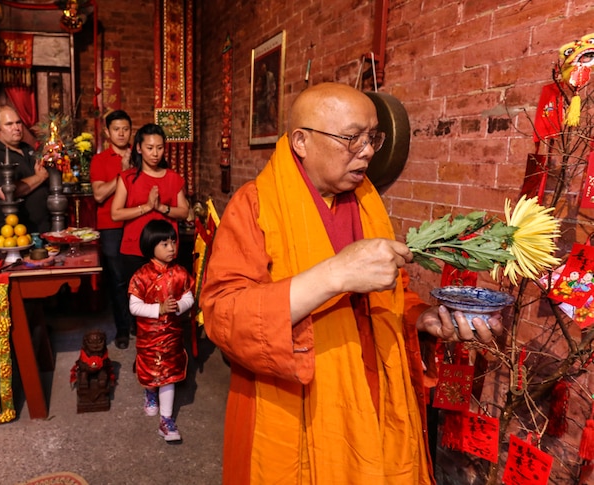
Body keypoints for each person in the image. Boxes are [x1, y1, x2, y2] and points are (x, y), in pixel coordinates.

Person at [200, 83, 504, 484]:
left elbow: (392, 292)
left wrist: (421, 318)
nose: (367, 151)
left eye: (372, 137)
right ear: (302, 142)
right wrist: (334, 275)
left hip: (371, 393)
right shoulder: (256, 205)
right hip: (295, 402)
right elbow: (223, 314)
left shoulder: (366, 201)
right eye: (351, 138)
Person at [128, 219, 194, 442]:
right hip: (149, 338)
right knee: (149, 372)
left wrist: (178, 308)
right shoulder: (141, 276)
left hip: (172, 337)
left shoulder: (180, 273)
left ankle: (166, 420)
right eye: (164, 244)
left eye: (173, 243)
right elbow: (134, 307)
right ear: (150, 245)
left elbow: (189, 297)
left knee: (169, 375)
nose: (171, 248)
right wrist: (160, 308)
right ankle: (150, 393)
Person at [110, 123, 190, 303]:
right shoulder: (128, 178)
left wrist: (162, 208)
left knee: (166, 297)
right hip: (134, 248)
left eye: (160, 148)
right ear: (139, 148)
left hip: (165, 249)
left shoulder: (172, 178)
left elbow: (184, 211)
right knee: (138, 299)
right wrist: (146, 207)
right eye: (150, 148)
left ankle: (165, 332)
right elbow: (115, 213)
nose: (155, 153)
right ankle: (135, 331)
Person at [90, 110, 134, 349]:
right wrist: (123, 172)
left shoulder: (140, 155)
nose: (121, 133)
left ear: (131, 131)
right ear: (107, 132)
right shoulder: (100, 160)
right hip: (111, 226)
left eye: (125, 129)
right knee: (118, 280)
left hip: (137, 223)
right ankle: (123, 329)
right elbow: (99, 194)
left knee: (140, 276)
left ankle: (141, 323)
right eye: (116, 129)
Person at [0, 105, 49, 237]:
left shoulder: (27, 148)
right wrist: (39, 178)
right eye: (9, 124)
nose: (16, 128)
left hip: (41, 229)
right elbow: (6, 192)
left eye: (18, 122)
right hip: (12, 234)